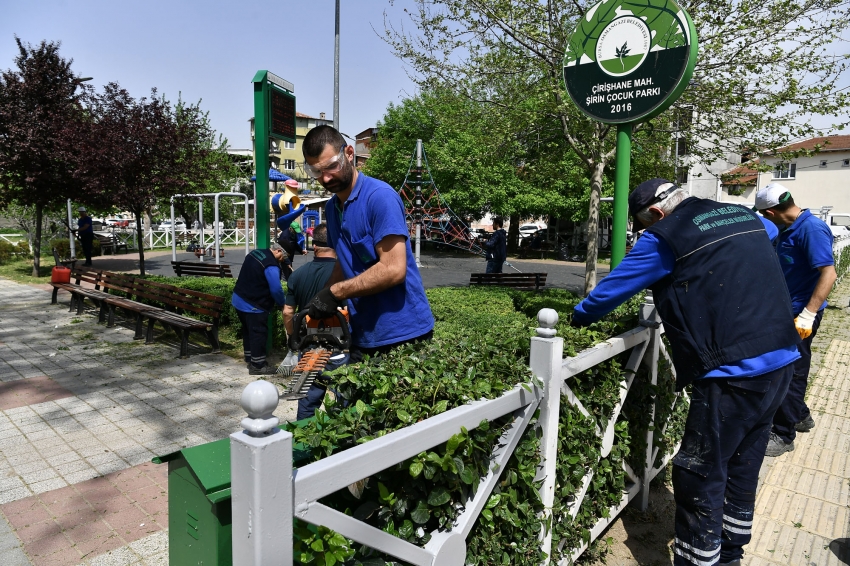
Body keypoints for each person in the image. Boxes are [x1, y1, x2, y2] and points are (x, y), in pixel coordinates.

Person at [571, 178, 801, 566]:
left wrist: (577, 318)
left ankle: (698, 560)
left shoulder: (665, 236)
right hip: (781, 358)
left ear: (657, 215)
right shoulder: (744, 215)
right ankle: (730, 554)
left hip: (733, 371)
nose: (646, 233)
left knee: (699, 472)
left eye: (645, 226)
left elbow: (607, 295)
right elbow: (770, 230)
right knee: (744, 462)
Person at [301, 125, 434, 360]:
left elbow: (394, 269)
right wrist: (321, 299)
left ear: (349, 153)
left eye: (332, 166)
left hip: (404, 337)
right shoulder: (332, 208)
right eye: (316, 172)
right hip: (363, 334)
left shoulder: (379, 197)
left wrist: (335, 292)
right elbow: (345, 261)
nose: (325, 178)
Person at [754, 183, 837, 457]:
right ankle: (800, 415)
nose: (766, 219)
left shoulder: (810, 229)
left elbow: (828, 273)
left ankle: (784, 434)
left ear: (771, 211)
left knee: (789, 372)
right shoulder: (788, 228)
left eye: (765, 215)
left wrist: (808, 314)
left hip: (800, 314)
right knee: (793, 367)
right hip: (788, 310)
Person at [281, 223, 349, 420]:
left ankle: (303, 444)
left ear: (314, 246)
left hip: (309, 348)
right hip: (339, 350)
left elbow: (287, 312)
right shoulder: (345, 275)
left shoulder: (298, 275)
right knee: (344, 402)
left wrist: (293, 338)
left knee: (307, 403)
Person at [231, 242, 288, 375]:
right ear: (278, 251)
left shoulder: (255, 252)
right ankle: (257, 365)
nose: (282, 261)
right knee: (258, 333)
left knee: (248, 330)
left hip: (238, 298)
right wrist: (282, 303)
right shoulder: (271, 265)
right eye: (283, 258)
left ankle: (250, 357)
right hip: (254, 305)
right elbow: (276, 289)